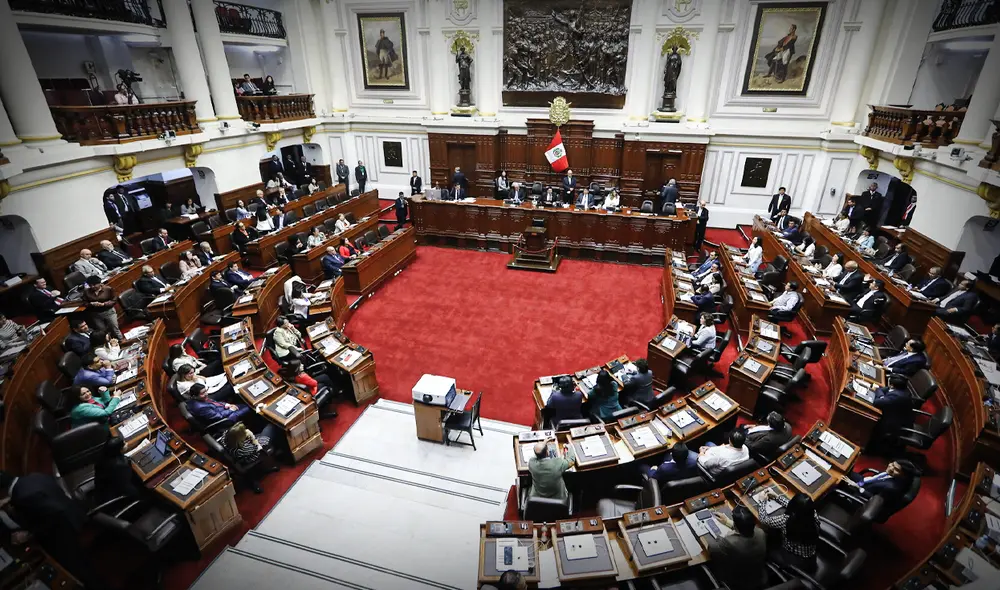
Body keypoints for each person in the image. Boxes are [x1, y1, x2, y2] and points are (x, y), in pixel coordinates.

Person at [0, 471, 99, 588]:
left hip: (64, 532)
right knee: (88, 563)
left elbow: (52, 519)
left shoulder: (21, 497)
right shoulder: (35, 476)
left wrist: (27, 535)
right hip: (77, 516)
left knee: (80, 571)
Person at [706, 505, 768, 590]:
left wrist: (721, 537)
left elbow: (711, 548)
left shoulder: (729, 542)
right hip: (758, 576)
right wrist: (727, 522)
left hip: (738, 582)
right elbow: (746, 529)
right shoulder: (761, 532)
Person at [759, 492, 819, 570]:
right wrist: (777, 497)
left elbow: (763, 519)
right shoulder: (813, 514)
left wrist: (762, 502)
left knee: (769, 547)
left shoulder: (787, 521)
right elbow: (800, 508)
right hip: (810, 556)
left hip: (794, 559)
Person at [870, 374, 915, 444]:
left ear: (892, 385)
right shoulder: (902, 388)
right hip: (897, 416)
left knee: (871, 417)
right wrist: (882, 396)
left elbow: (876, 402)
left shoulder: (897, 396)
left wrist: (881, 396)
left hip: (897, 425)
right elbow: (881, 389)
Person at [847, 460, 917, 502]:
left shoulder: (891, 488)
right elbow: (875, 478)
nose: (891, 468)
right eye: (892, 464)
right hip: (865, 483)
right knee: (847, 470)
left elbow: (874, 499)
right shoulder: (892, 475)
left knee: (841, 478)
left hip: (860, 495)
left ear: (903, 475)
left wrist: (857, 487)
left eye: (896, 469)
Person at [187, 383, 252, 425]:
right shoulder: (201, 408)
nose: (206, 394)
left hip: (222, 410)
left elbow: (214, 402)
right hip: (224, 419)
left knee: (244, 405)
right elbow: (218, 416)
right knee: (249, 407)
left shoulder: (199, 399)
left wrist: (226, 405)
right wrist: (231, 410)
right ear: (195, 396)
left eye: (205, 391)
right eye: (202, 393)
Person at [83, 276, 123, 340]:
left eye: (94, 284)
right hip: (96, 314)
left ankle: (121, 340)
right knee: (102, 331)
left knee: (114, 328)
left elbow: (114, 300)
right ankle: (108, 343)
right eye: (90, 285)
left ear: (99, 283)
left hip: (109, 312)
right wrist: (91, 304)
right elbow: (84, 303)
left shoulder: (108, 289)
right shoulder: (86, 291)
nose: (92, 286)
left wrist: (104, 304)